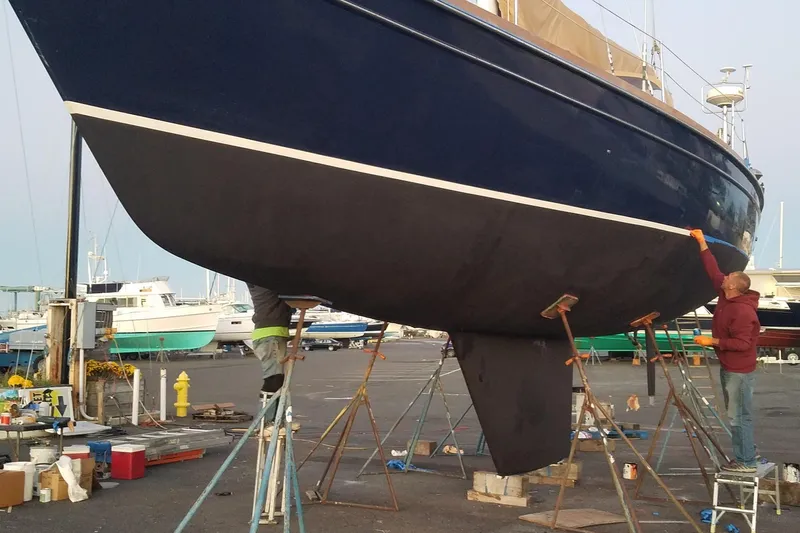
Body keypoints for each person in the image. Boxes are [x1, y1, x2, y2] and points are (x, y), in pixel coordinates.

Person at [690, 229, 761, 473]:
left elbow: (743, 344)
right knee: (739, 414)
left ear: (734, 287)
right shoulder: (726, 295)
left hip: (739, 371)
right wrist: (701, 243)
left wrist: (713, 342)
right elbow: (713, 271)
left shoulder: (743, 311)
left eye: (728, 277)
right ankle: (748, 452)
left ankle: (746, 462)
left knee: (739, 416)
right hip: (730, 367)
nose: (724, 277)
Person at [247, 284, 292, 423]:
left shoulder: (261, 280)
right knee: (274, 379)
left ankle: (274, 419)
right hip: (270, 334)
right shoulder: (264, 281)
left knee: (277, 379)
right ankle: (267, 421)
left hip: (271, 333)